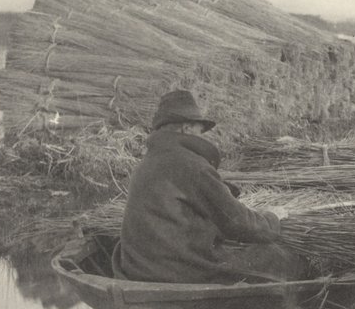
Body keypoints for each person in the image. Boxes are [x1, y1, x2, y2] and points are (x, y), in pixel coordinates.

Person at [112, 89, 304, 285]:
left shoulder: (146, 164)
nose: (201, 137)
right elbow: (238, 222)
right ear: (186, 128)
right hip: (176, 272)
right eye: (199, 130)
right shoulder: (192, 165)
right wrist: (271, 218)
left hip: (139, 268)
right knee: (282, 257)